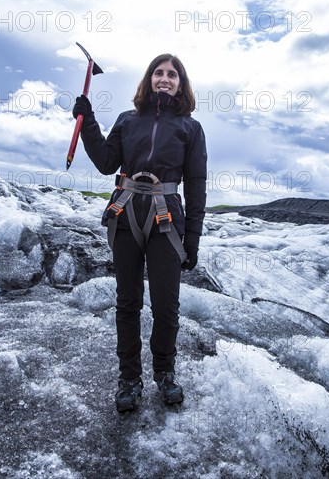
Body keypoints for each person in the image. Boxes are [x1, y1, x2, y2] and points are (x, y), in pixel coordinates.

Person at [72, 53, 207, 412]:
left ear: (181, 83)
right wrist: (88, 122)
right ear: (149, 79)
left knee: (167, 307)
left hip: (167, 219)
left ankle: (164, 372)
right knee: (128, 303)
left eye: (172, 75)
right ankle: (129, 378)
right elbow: (105, 162)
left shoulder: (190, 128)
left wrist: (192, 238)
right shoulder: (127, 121)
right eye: (158, 73)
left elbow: (195, 185)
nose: (165, 79)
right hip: (126, 210)